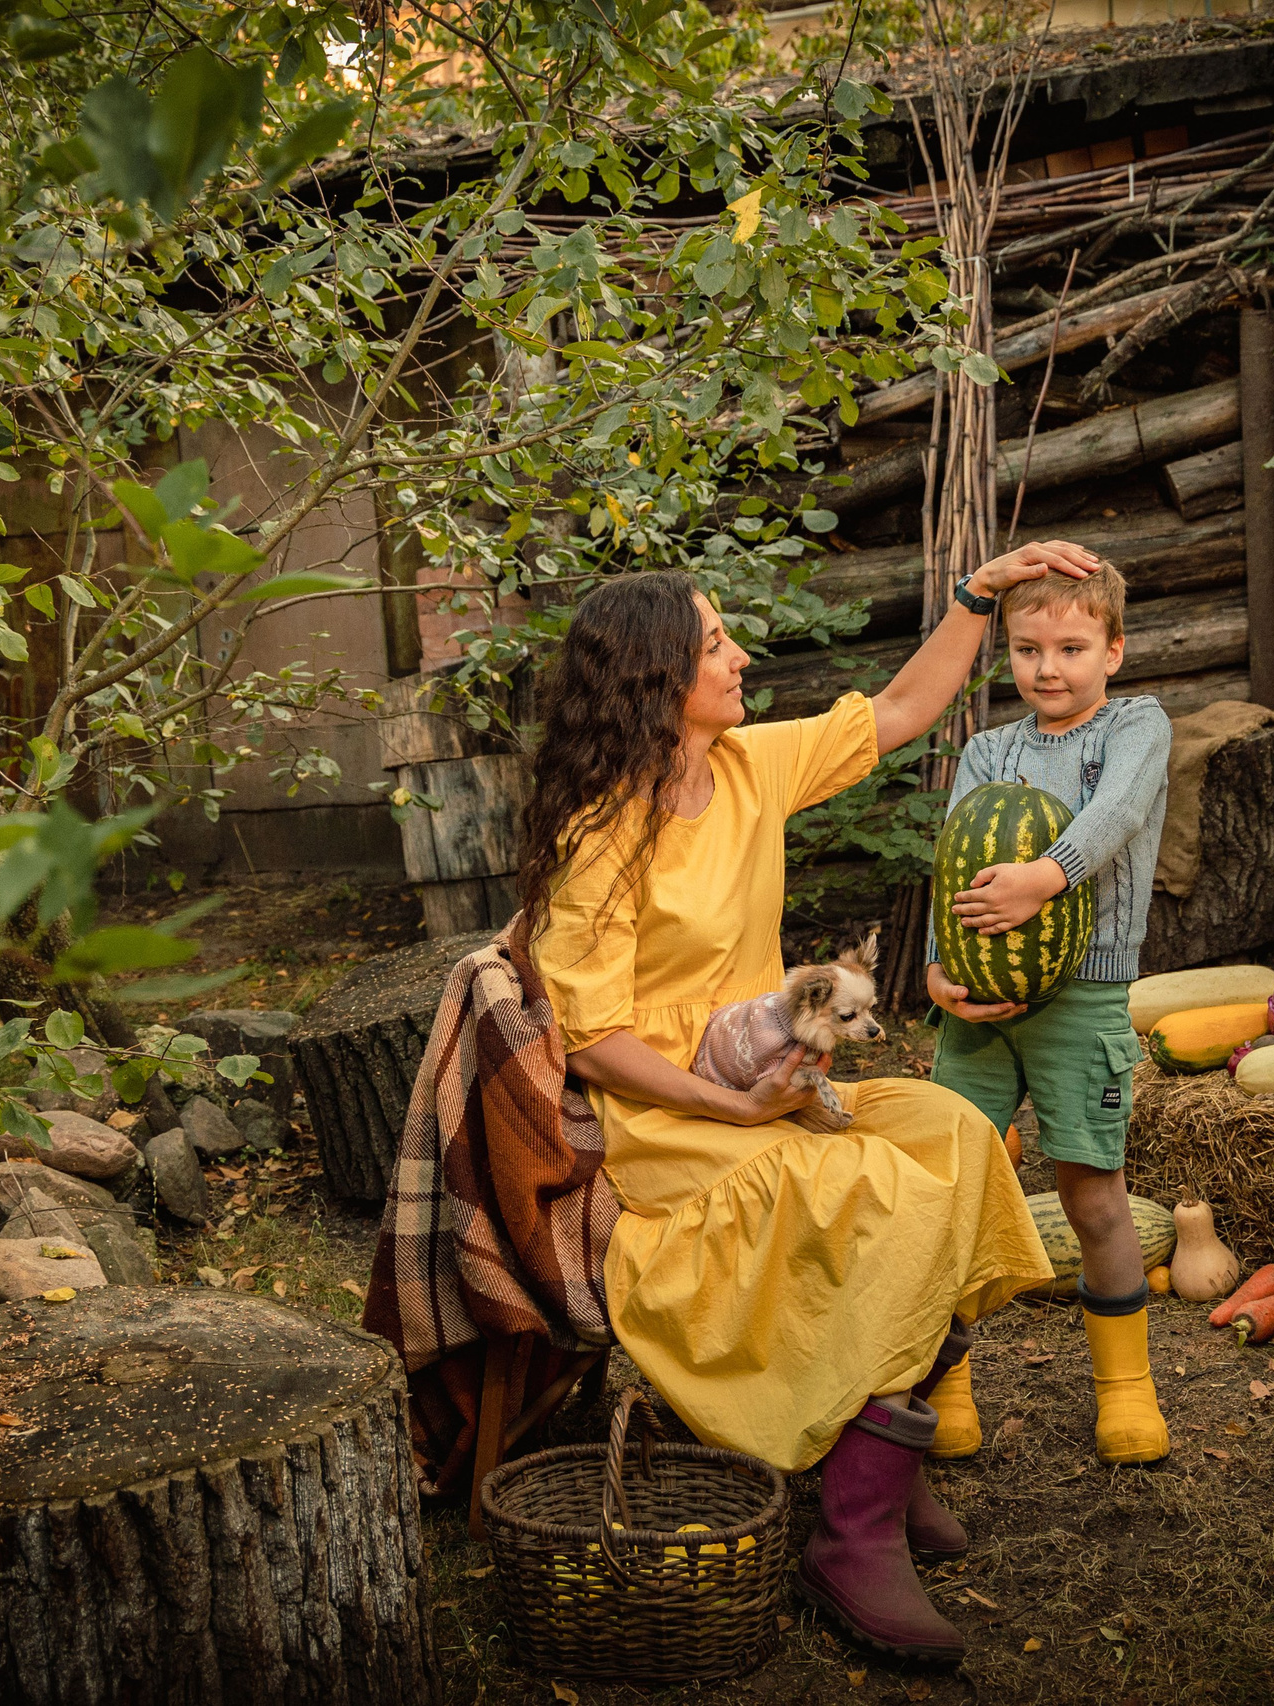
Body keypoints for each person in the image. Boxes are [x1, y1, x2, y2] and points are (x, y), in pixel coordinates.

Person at [519, 545, 1102, 1661]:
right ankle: (854, 1527)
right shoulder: (599, 834)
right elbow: (594, 1040)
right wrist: (733, 1110)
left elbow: (898, 708)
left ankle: (879, 1454)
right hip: (675, 1113)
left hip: (772, 1078)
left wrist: (980, 595)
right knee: (875, 1188)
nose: (740, 656)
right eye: (713, 644)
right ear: (655, 680)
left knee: (954, 1135)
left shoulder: (745, 765)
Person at [923, 559, 1175, 1466]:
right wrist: (936, 968)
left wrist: (1043, 878)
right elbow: (954, 862)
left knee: (1091, 1194)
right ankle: (945, 1386)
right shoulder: (990, 752)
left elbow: (1117, 814)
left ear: (1114, 649)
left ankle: (1126, 1392)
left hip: (1085, 994)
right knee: (950, 1191)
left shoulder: (1136, 726)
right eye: (1028, 650)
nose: (1049, 668)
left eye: (1072, 648)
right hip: (978, 1001)